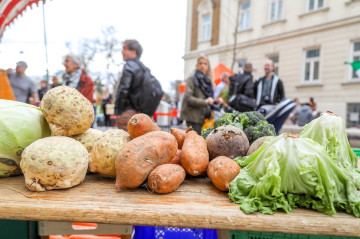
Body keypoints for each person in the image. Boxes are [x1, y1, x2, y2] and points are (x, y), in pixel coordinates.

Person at [180, 55, 221, 135]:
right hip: (193, 117)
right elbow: (188, 98)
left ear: (208, 66)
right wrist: (205, 102)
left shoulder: (209, 81)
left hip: (205, 117)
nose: (202, 65)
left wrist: (217, 100)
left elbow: (210, 99)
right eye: (200, 63)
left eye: (205, 63)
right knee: (195, 143)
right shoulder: (191, 79)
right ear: (197, 65)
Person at [255, 59, 295, 134]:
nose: (266, 67)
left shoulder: (278, 81)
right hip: (260, 107)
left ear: (273, 67)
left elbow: (282, 96)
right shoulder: (259, 81)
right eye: (265, 65)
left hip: (272, 108)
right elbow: (254, 95)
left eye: (268, 65)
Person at [114, 39, 147, 131]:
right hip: (140, 113)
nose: (122, 51)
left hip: (127, 113)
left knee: (125, 142)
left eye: (125, 48)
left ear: (133, 52)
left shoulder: (129, 66)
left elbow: (124, 89)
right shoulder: (143, 68)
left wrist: (119, 111)